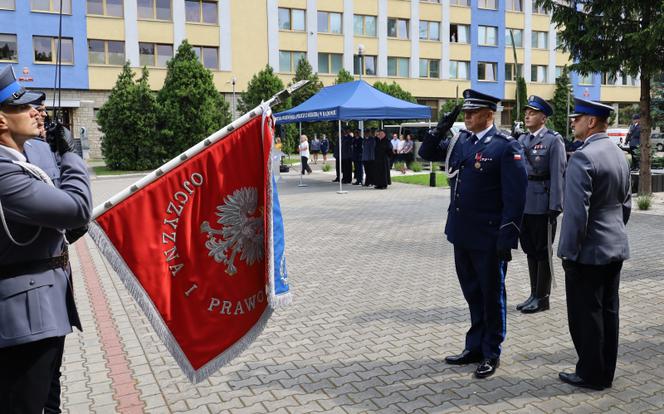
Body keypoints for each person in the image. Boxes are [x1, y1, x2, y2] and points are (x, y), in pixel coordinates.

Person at [0, 65, 92, 413]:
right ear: (2, 121)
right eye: (22, 106)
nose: (35, 111)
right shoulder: (4, 172)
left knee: (48, 402)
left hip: (45, 307)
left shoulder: (22, 158)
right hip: (24, 320)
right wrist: (72, 153)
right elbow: (79, 207)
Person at [419, 89, 527, 379]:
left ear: (489, 115)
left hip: (489, 237)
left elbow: (515, 198)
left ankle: (492, 351)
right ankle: (475, 346)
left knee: (492, 296)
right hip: (462, 234)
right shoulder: (461, 141)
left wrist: (507, 237)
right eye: (464, 112)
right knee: (472, 294)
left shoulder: (505, 146)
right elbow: (425, 153)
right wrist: (442, 124)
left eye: (472, 112)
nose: (466, 116)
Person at [557, 98, 631, 391]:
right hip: (614, 244)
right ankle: (604, 373)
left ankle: (590, 374)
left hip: (587, 251)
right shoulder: (617, 153)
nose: (572, 122)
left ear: (591, 122)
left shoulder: (583, 157)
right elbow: (625, 205)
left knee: (586, 315)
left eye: (577, 118)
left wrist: (570, 252)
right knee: (608, 312)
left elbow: (576, 213)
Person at [515, 96, 566, 314]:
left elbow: (558, 173)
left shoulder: (553, 141)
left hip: (543, 203)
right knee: (529, 249)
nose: (527, 115)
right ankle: (533, 293)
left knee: (542, 250)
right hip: (524, 203)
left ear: (543, 118)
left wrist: (556, 204)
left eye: (533, 112)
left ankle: (543, 298)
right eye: (526, 112)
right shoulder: (522, 140)